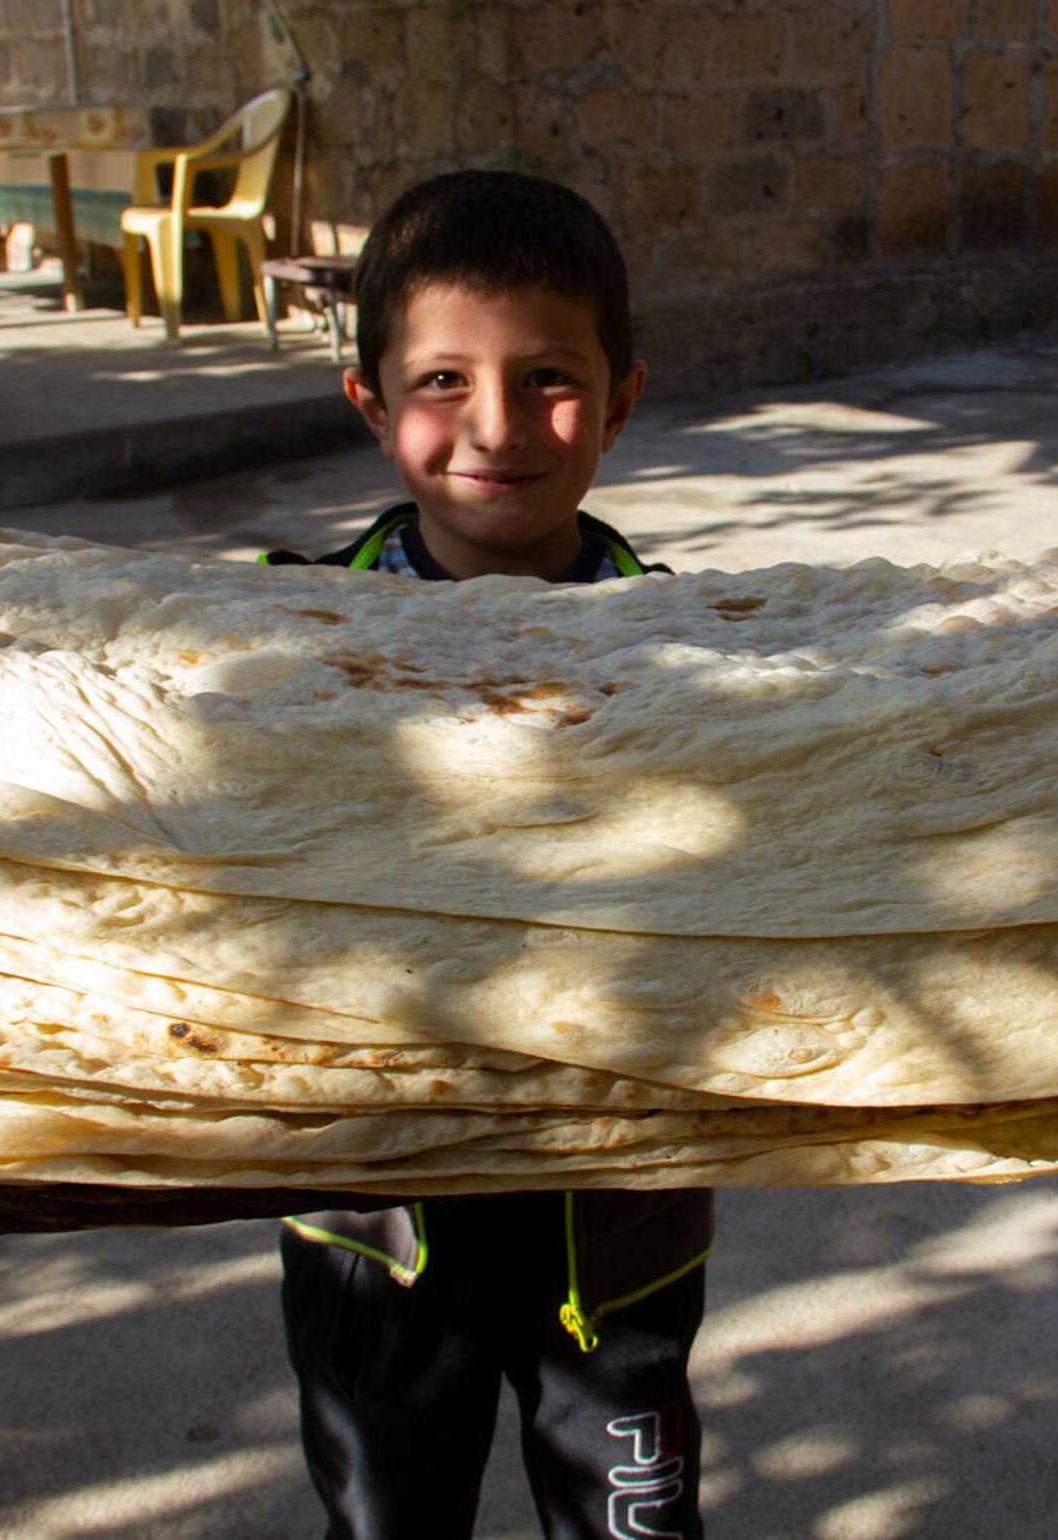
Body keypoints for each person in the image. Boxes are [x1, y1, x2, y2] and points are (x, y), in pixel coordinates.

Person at [265, 169, 713, 1540]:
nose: (500, 427)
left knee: (633, 1526)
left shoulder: (709, 660)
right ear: (369, 400)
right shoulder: (268, 654)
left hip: (616, 1222)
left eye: (551, 378)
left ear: (624, 397)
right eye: (444, 381)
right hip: (379, 1232)